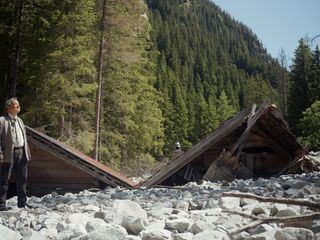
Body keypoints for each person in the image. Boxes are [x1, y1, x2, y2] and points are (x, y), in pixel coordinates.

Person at [0, 98, 31, 211]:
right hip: (8, 153)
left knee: (22, 179)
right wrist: (0, 156)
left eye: (18, 104)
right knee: (4, 180)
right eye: (16, 105)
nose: (18, 106)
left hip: (22, 152)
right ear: (8, 108)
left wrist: (27, 152)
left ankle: (22, 203)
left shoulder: (20, 121)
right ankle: (2, 205)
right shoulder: (2, 120)